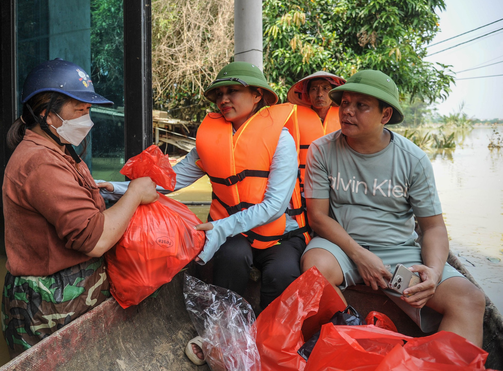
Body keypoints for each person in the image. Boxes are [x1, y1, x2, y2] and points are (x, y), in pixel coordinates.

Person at [101, 61, 309, 365]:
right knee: (230, 257)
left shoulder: (281, 138)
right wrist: (118, 189)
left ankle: (267, 340)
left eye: (233, 91)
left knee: (282, 272)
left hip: (279, 233)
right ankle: (223, 334)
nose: (224, 99)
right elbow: (171, 181)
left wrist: (223, 227)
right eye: (219, 94)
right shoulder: (211, 138)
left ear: (257, 96)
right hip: (235, 232)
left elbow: (274, 206)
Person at [300, 69, 486, 346]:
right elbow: (318, 217)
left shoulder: (413, 159)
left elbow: (433, 227)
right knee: (315, 269)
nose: (347, 111)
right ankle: (353, 348)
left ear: (385, 116)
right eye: (346, 103)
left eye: (360, 105)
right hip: (342, 248)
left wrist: (433, 273)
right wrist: (360, 256)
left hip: (399, 256)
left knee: (469, 299)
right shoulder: (322, 150)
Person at [1, 58, 158, 358]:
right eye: (79, 110)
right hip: (49, 307)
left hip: (71, 293)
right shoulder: (40, 161)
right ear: (48, 113)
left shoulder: (58, 148)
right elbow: (96, 240)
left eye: (88, 110)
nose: (87, 119)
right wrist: (135, 192)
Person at [287, 71, 345, 220]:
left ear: (334, 93)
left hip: (341, 186)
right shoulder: (293, 118)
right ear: (307, 94)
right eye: (314, 89)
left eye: (325, 89)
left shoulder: (346, 117)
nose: (319, 94)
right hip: (305, 188)